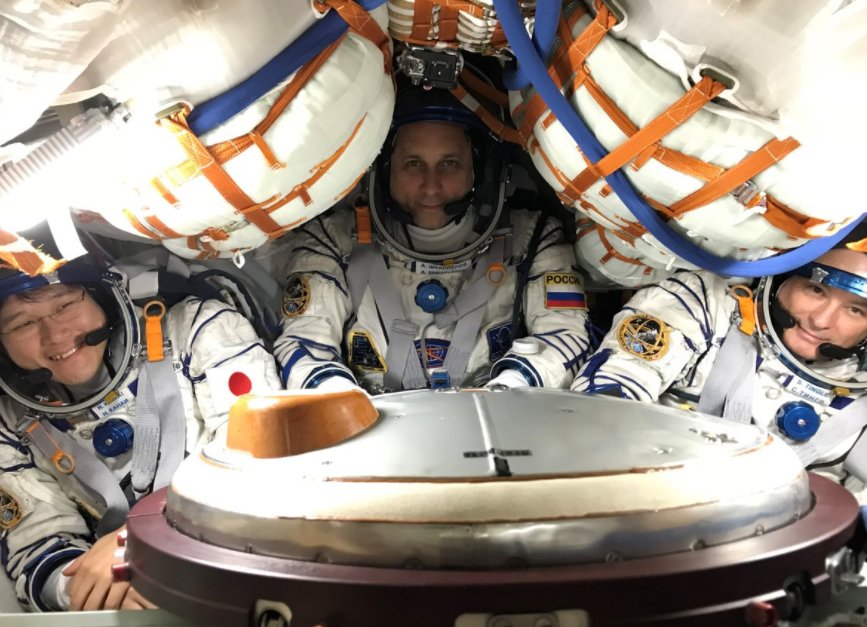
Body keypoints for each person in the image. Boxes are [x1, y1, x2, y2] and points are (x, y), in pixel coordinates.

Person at [269, 76, 596, 393]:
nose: (430, 186)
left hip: (500, 416)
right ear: (384, 169)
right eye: (413, 163)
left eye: (449, 163)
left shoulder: (532, 239)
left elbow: (563, 336)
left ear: (479, 170)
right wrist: (341, 398)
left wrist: (510, 387)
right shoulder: (333, 241)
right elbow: (305, 340)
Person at [0, 256, 281, 612]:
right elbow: (36, 547)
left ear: (101, 296)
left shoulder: (198, 329)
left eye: (65, 304)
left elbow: (264, 461)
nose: (54, 335)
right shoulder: (11, 424)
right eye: (23, 323)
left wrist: (145, 537)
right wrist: (88, 589)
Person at [571, 222, 867, 493]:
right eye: (815, 289)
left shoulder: (858, 400)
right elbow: (607, 401)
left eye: (855, 310)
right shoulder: (702, 307)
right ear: (782, 278)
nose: (821, 321)